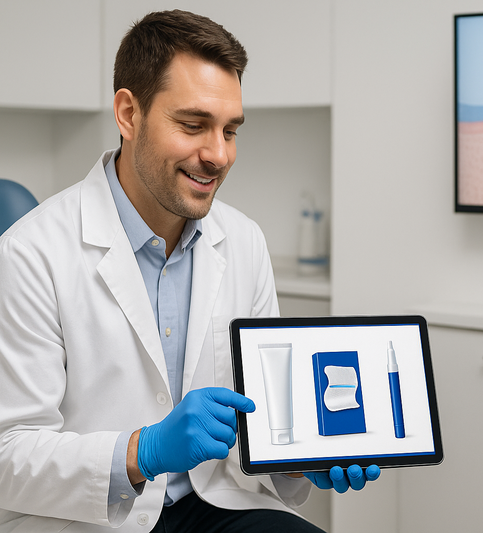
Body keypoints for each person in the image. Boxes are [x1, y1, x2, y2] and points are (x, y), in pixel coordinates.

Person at [0, 10, 378, 533]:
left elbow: (256, 419)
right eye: (194, 125)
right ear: (129, 115)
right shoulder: (30, 252)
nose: (218, 155)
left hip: (212, 502)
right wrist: (144, 451)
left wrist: (296, 457)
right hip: (89, 518)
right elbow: (8, 455)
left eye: (230, 131)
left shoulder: (243, 241)